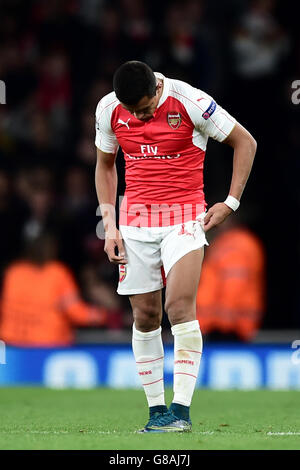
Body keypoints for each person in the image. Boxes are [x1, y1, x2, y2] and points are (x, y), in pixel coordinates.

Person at [95, 61, 257, 432]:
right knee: (146, 316)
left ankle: (181, 412)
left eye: (145, 108)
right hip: (135, 222)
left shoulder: (190, 100)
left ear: (156, 89)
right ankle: (157, 414)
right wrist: (110, 226)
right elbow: (105, 165)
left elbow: (244, 141)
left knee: (179, 306)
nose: (139, 117)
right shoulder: (109, 109)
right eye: (133, 112)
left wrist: (230, 202)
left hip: (184, 217)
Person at [0, 231, 107, 347]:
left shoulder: (14, 272)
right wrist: (103, 316)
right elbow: (76, 312)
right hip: (48, 344)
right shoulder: (57, 274)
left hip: (11, 343)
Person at [196, 218, 265, 342]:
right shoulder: (226, 242)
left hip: (227, 328)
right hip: (219, 325)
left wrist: (224, 321)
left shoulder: (236, 244)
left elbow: (235, 284)